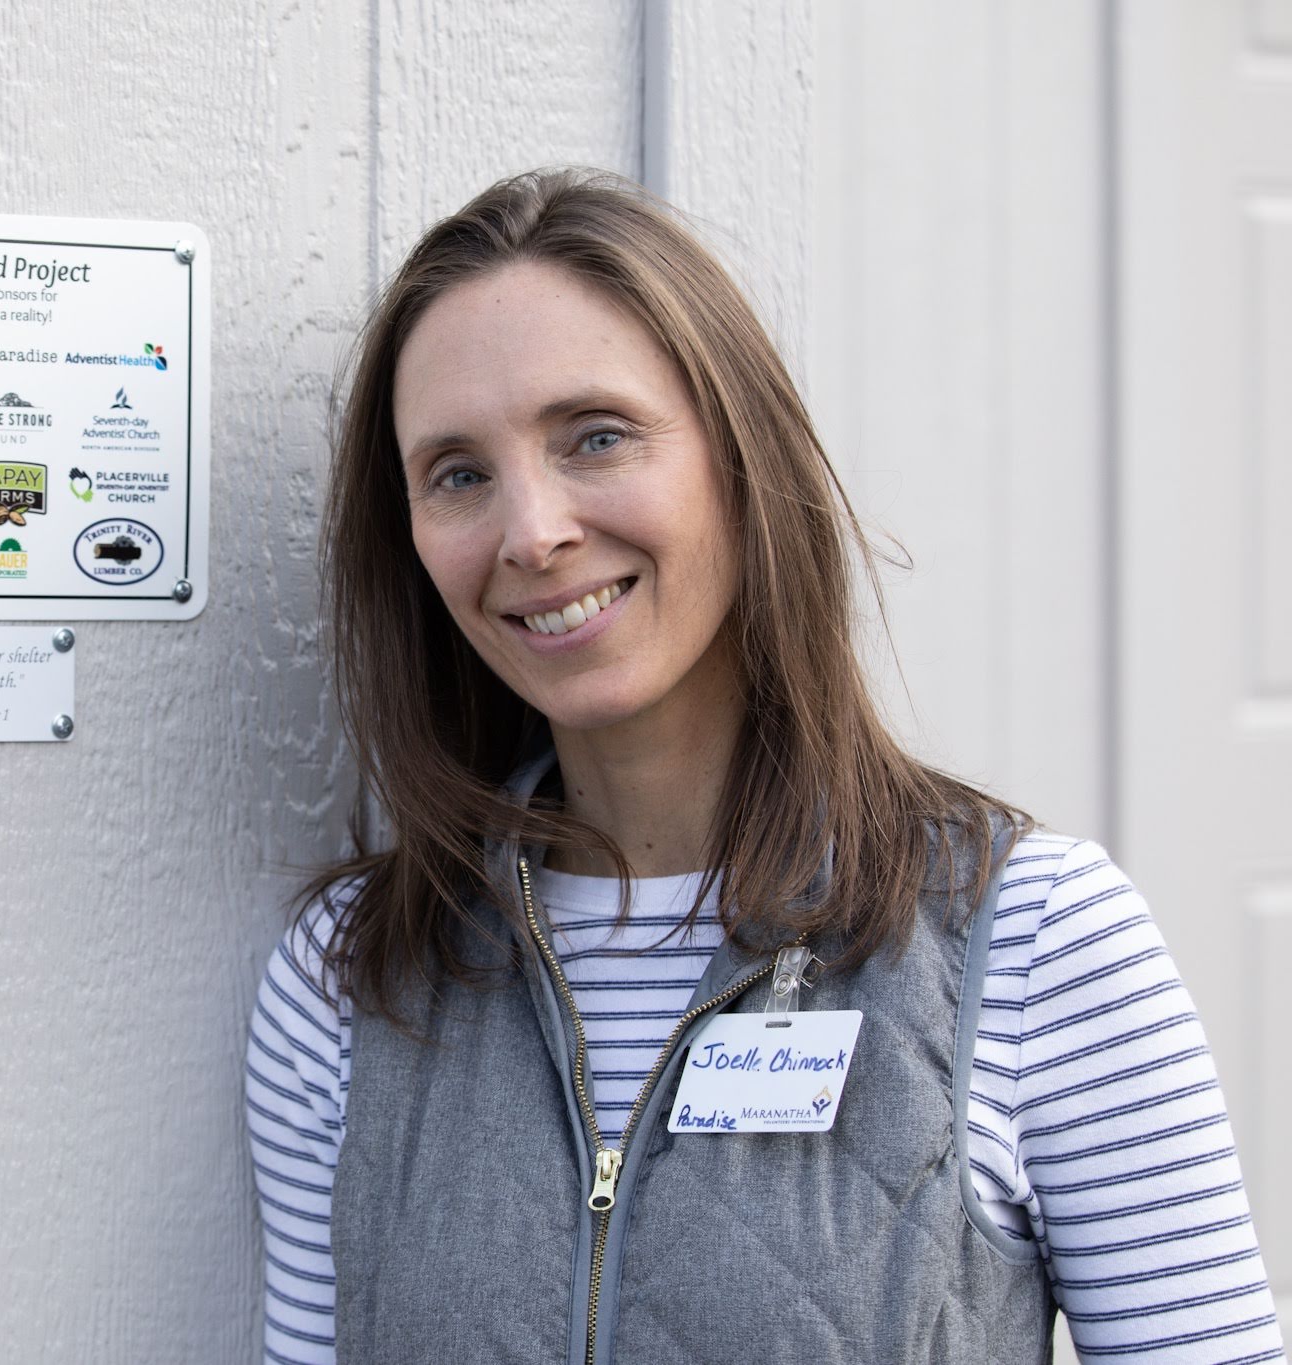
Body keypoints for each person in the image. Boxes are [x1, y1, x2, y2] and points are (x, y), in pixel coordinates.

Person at [246, 169, 1285, 1364]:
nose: (530, 533)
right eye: (459, 473)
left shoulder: (1035, 945)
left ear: (740, 461)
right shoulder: (346, 981)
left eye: (596, 436)